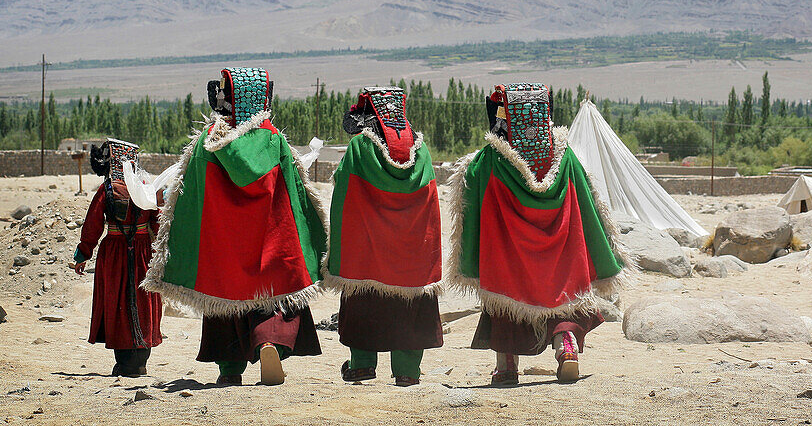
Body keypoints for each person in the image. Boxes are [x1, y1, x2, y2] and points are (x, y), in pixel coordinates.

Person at [143, 67, 328, 386]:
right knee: (273, 294)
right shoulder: (273, 140)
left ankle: (229, 369)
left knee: (224, 296)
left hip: (223, 243)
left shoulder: (207, 140)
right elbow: (295, 193)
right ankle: (268, 343)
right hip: (268, 243)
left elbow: (190, 195)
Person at [448, 83, 632, 386]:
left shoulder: (489, 161)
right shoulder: (567, 159)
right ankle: (566, 346)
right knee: (562, 298)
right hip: (560, 253)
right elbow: (589, 207)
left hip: (509, 256)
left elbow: (470, 204)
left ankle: (506, 365)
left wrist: (470, 260)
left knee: (506, 301)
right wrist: (601, 253)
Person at [324, 87, 443, 386]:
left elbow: (344, 196)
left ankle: (362, 363)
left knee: (365, 302)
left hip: (368, 252)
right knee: (410, 303)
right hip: (412, 252)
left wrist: (340, 244)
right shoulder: (423, 151)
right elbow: (430, 201)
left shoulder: (360, 149)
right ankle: (407, 371)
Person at [73, 139, 163, 377]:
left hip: (114, 252)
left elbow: (92, 225)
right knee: (144, 300)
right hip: (144, 252)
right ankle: (141, 360)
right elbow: (158, 220)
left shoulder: (107, 189)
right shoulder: (145, 186)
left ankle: (124, 363)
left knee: (118, 301)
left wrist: (83, 254)